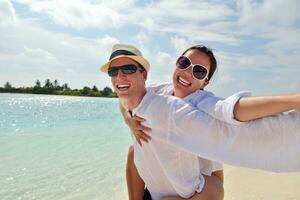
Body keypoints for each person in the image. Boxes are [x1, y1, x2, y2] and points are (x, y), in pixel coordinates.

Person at [100, 44, 300, 200]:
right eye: (184, 63)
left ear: (205, 82)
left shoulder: (202, 103)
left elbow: (233, 109)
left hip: (199, 187)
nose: (187, 72)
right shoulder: (158, 92)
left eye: (198, 72)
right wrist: (128, 118)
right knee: (133, 149)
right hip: (163, 182)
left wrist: (293, 100)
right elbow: (128, 95)